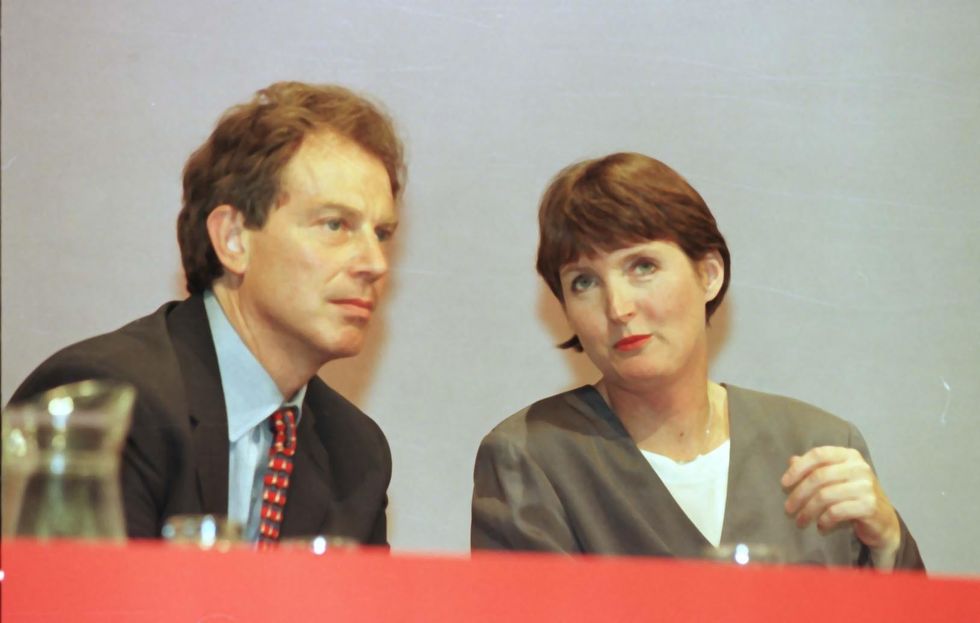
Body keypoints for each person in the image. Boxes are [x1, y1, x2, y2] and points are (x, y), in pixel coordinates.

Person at [470, 153, 924, 569]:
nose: (617, 308)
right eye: (584, 282)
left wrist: (887, 544)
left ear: (709, 274)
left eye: (642, 266)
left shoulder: (818, 446)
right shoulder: (530, 459)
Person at [10, 81, 404, 545]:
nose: (375, 264)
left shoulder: (355, 454)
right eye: (335, 225)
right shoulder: (108, 405)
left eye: (381, 233)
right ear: (234, 239)